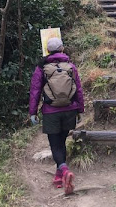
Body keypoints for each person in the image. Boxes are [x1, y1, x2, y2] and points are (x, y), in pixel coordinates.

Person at [29, 36, 84, 194]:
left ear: (48, 51)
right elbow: (78, 90)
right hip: (69, 110)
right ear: (62, 49)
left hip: (51, 111)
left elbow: (35, 91)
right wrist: (80, 109)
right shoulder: (70, 67)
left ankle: (64, 170)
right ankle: (59, 176)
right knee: (61, 141)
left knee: (55, 144)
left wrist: (33, 112)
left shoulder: (42, 68)